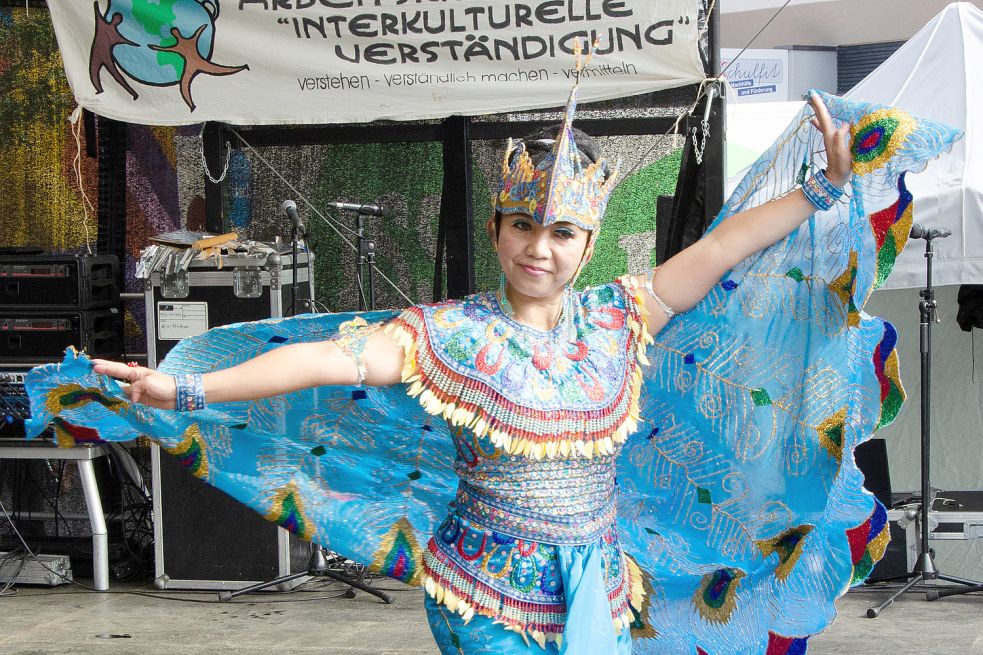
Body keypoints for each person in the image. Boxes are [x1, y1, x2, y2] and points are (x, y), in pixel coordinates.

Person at [26, 83, 960, 654]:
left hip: (596, 584)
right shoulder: (449, 333)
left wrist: (821, 191)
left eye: (561, 232)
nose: (540, 249)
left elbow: (716, 255)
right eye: (523, 226)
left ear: (587, 240)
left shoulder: (618, 315)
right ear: (499, 229)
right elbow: (319, 357)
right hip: (484, 593)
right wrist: (182, 387)